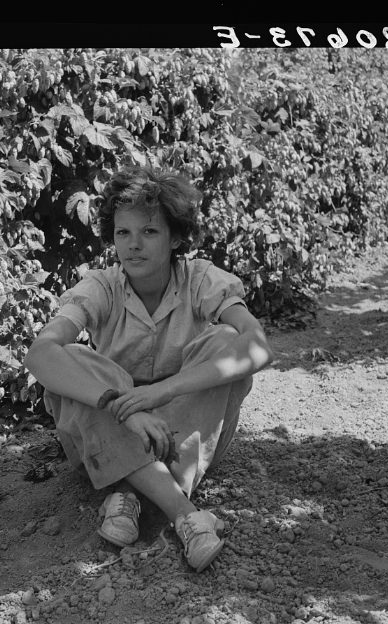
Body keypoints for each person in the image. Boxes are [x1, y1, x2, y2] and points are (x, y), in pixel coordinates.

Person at [25, 165, 274, 572]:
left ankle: (128, 495)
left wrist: (164, 391)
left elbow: (259, 345)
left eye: (149, 232)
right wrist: (127, 407)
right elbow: (40, 353)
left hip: (183, 429)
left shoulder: (201, 280)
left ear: (176, 237)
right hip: (116, 425)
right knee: (73, 364)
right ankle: (183, 513)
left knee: (227, 342)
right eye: (123, 233)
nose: (134, 245)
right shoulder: (100, 286)